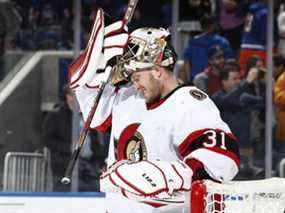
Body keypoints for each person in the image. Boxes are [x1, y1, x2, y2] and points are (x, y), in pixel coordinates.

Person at [68, 9, 240, 213]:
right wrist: (97, 60)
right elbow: (93, 113)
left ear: (157, 70)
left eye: (137, 76)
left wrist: (166, 177)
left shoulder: (191, 103)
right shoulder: (128, 98)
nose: (133, 83)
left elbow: (223, 159)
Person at [211, 62, 264, 179]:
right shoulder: (216, 99)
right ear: (223, 82)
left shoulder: (243, 96)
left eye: (239, 79)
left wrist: (258, 85)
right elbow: (229, 100)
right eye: (234, 79)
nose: (238, 82)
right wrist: (247, 82)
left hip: (247, 153)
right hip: (226, 154)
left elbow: (263, 103)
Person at [179, 14, 234, 84]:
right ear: (214, 25)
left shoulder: (192, 42)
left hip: (195, 81)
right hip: (217, 80)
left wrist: (189, 81)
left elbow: (186, 64)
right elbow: (230, 62)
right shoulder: (223, 42)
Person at [41, 85, 74, 192]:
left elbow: (95, 141)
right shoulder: (55, 115)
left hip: (88, 168)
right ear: (68, 96)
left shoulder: (87, 114)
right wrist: (68, 148)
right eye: (74, 95)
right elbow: (47, 139)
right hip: (62, 166)